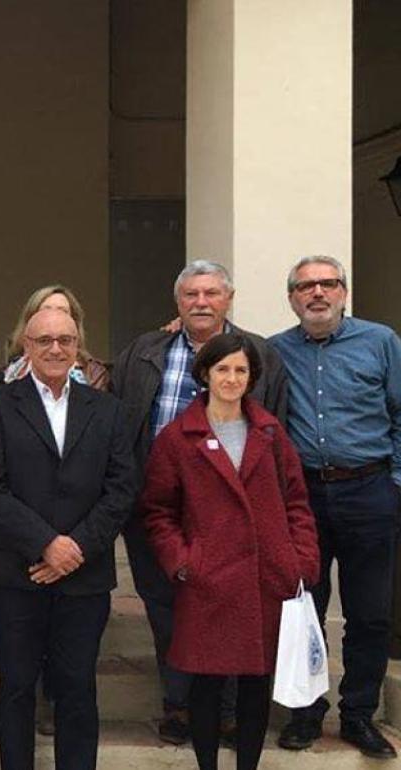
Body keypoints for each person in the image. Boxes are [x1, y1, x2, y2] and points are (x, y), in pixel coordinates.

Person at [111, 260, 288, 744]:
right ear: (178, 303)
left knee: (231, 608)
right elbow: (120, 424)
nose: (201, 302)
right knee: (166, 609)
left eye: (211, 293)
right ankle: (179, 706)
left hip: (234, 512)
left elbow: (276, 432)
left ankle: (226, 711)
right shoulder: (145, 351)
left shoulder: (262, 356)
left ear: (229, 299)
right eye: (191, 295)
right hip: (157, 508)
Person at [141, 333, 320, 770]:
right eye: (223, 369)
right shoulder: (178, 438)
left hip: (266, 579)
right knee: (205, 683)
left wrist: (300, 561)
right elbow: (158, 511)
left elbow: (296, 501)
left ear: (252, 377)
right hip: (208, 582)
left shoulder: (271, 433)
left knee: (256, 684)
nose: (232, 378)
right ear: (205, 373)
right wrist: (184, 563)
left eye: (241, 370)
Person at [0, 308, 135, 770]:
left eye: (65, 340)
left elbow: (121, 488)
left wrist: (74, 548)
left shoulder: (109, 410)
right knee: (18, 686)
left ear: (77, 345)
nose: (55, 349)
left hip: (85, 576)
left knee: (78, 687)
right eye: (44, 340)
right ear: (26, 346)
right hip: (16, 574)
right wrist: (47, 543)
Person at [270, 255, 401, 759]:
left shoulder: (381, 342)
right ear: (293, 297)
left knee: (369, 613)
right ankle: (306, 713)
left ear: (344, 291)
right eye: (306, 286)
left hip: (369, 490)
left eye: (328, 283)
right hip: (304, 497)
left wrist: (395, 484)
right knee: (305, 609)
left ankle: (358, 714)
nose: (317, 293)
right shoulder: (277, 351)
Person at [1, 285, 109, 390]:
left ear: (74, 323)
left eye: (62, 311)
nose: (54, 318)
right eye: (46, 310)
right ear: (30, 321)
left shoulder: (94, 374)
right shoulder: (7, 374)